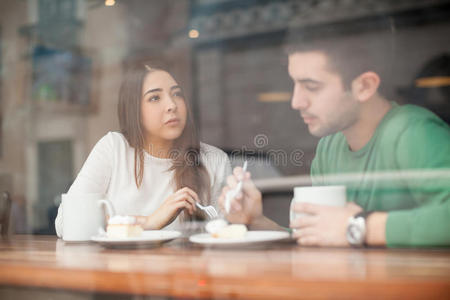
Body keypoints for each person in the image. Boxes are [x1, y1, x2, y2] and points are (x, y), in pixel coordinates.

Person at [219, 28, 450, 248]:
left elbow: (345, 231)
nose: (296, 102)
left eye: (312, 86)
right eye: (295, 84)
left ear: (364, 86)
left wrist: (360, 226)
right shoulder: (329, 148)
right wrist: (255, 222)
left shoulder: (413, 133)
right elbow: (323, 235)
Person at [56, 62, 231, 236]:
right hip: (119, 264)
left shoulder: (214, 159)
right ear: (134, 111)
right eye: (155, 98)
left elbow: (226, 235)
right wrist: (148, 223)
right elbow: (65, 224)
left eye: (177, 94)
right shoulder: (113, 148)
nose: (172, 105)